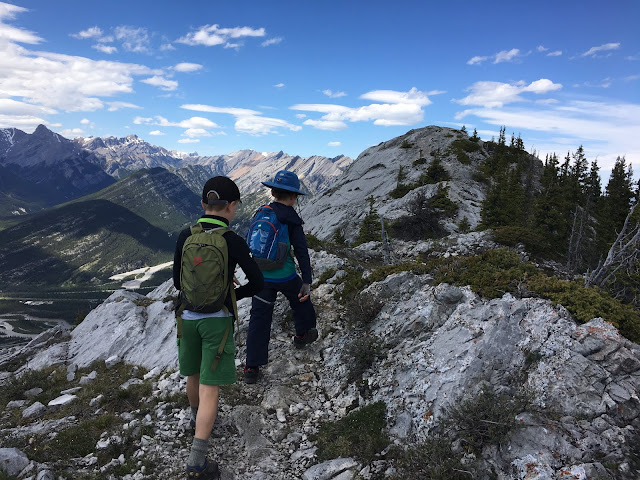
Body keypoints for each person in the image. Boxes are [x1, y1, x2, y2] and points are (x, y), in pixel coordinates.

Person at [173, 176, 263, 479]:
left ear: (203, 205)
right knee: (211, 387)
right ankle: (197, 463)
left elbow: (176, 282)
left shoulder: (186, 235)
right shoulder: (233, 240)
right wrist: (231, 294)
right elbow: (258, 282)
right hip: (217, 321)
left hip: (187, 318)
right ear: (233, 206)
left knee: (194, 375)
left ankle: (195, 419)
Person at [244, 170, 318, 384]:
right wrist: (306, 280)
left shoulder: (261, 211)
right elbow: (301, 251)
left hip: (260, 277)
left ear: (274, 192)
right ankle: (303, 334)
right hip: (285, 276)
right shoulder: (291, 218)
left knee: (259, 318)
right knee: (301, 301)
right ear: (293, 196)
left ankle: (251, 367)